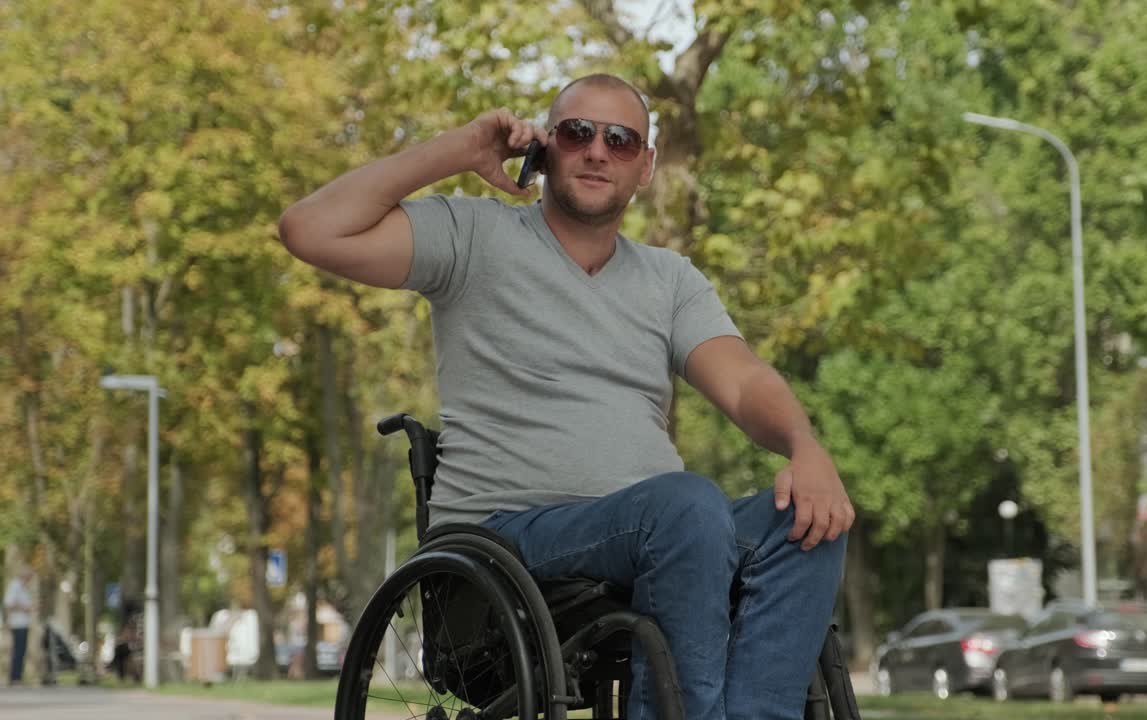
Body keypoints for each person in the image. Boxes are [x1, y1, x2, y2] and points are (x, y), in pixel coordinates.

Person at [279, 73, 855, 720]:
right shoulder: (475, 237)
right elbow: (309, 229)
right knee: (686, 506)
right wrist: (458, 149)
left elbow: (745, 381)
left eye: (621, 140)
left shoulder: (670, 280)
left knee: (811, 522)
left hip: (664, 532)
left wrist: (805, 447)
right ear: (546, 147)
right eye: (577, 132)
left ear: (646, 166)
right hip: (508, 539)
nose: (598, 150)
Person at [4, 567, 33, 686]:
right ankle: (15, 677)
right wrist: (25, 608)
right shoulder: (15, 586)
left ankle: (18, 676)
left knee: (21, 650)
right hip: (17, 623)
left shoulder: (23, 588)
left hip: (24, 623)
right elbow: (9, 603)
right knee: (18, 650)